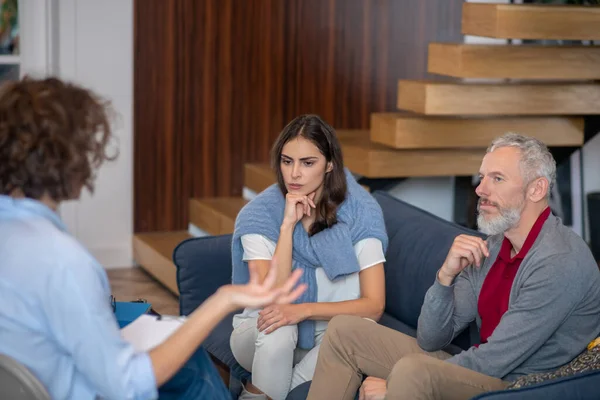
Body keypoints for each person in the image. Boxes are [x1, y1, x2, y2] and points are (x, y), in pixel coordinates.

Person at [0, 77, 307, 400]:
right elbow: (128, 386)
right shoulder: (62, 261)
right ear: (67, 158)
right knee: (192, 368)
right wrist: (224, 299)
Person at [306, 133, 600, 400]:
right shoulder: (494, 245)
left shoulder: (558, 261)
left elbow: (495, 360)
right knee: (345, 330)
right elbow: (430, 337)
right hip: (485, 368)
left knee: (412, 372)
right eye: (482, 177)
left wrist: (392, 383)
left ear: (537, 189)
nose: (481, 189)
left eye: (497, 179)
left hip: (522, 387)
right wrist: (445, 276)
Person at [229, 114, 389, 399]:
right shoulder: (259, 215)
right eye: (287, 161)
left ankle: (259, 394)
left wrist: (303, 310)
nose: (294, 174)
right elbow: (273, 301)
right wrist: (288, 226)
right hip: (259, 333)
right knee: (280, 324)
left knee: (359, 330)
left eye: (307, 163)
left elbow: (374, 306)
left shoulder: (362, 213)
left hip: (326, 333)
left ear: (329, 165)